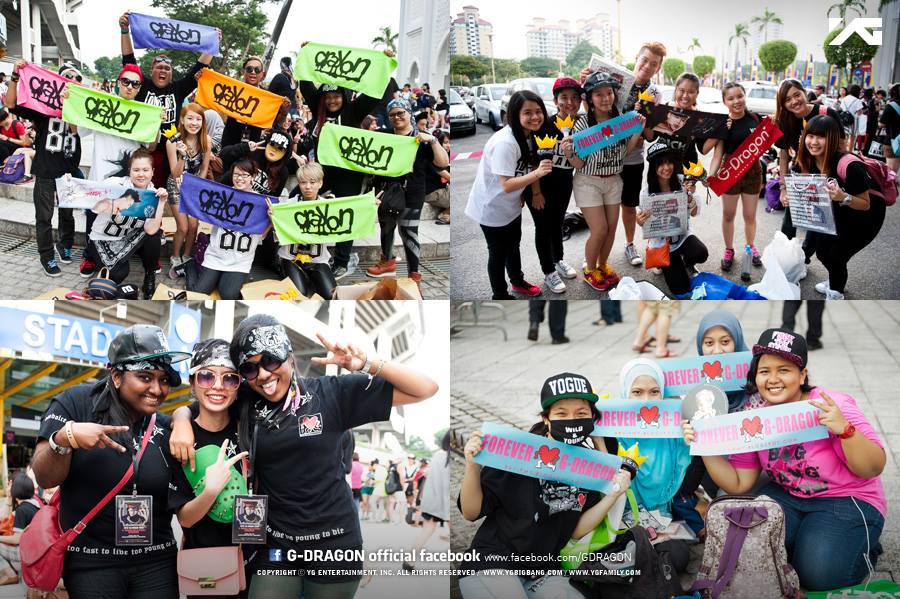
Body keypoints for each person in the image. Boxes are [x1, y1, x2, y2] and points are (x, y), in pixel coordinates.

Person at [170, 314, 439, 598]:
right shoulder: (248, 399)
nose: (263, 375)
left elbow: (425, 388)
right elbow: (205, 400)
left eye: (271, 360)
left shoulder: (332, 394)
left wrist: (366, 363)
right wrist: (182, 419)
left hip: (334, 545)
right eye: (249, 368)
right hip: (277, 545)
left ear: (289, 356)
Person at [31, 325, 233, 598]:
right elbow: (45, 477)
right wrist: (66, 438)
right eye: (145, 377)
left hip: (156, 562)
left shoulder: (166, 427)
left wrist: (182, 416)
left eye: (164, 379)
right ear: (116, 376)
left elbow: (212, 404)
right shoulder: (77, 403)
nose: (157, 389)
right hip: (92, 563)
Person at [683, 328, 886, 591]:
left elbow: (873, 467)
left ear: (802, 375)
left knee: (818, 575)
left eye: (784, 370)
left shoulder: (831, 405)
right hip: (788, 495)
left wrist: (845, 430)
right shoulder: (754, 415)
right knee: (746, 552)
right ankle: (810, 540)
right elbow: (739, 484)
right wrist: (703, 443)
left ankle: (864, 544)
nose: (773, 379)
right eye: (764, 371)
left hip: (846, 498)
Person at [458, 372, 631, 598]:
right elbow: (471, 513)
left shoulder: (587, 465)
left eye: (581, 413)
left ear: (591, 418)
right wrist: (472, 467)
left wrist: (612, 494)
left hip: (545, 569)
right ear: (546, 419)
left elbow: (575, 530)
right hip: (494, 560)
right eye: (561, 413)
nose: (571, 420)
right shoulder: (515, 453)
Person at [298, 47, 398, 279]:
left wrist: (384, 63)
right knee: (298, 198)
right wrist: (306, 55)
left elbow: (374, 92)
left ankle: (342, 261)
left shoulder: (354, 111)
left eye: (337, 96)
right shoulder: (318, 109)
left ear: (344, 96)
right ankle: (301, 249)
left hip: (349, 174)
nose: (332, 100)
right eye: (328, 97)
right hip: (322, 171)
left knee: (346, 213)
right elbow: (306, 85)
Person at [178, 338, 252, 597]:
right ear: (192, 382)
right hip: (207, 566)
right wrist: (210, 491)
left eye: (230, 378)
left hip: (258, 560)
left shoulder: (251, 427)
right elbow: (184, 518)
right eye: (206, 376)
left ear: (239, 386)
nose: (218, 386)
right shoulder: (179, 440)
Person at [563, 71, 645, 292]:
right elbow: (579, 164)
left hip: (614, 181)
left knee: (610, 229)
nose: (606, 98)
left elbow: (625, 153)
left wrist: (636, 132)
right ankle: (590, 269)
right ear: (590, 98)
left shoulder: (621, 121)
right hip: (588, 182)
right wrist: (569, 153)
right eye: (598, 94)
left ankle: (602, 265)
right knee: (599, 230)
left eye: (609, 93)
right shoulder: (582, 125)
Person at [464, 90, 549, 299]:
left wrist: (533, 191)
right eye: (527, 112)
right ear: (514, 114)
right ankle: (500, 295)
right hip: (491, 207)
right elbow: (506, 185)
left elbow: (527, 167)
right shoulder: (505, 143)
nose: (535, 117)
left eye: (538, 111)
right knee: (498, 252)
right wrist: (537, 174)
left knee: (513, 245)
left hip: (510, 205)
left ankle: (517, 282)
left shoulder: (529, 134)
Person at [4, 60, 82, 277]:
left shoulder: (82, 110)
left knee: (67, 215)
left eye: (77, 78)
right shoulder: (43, 110)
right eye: (68, 77)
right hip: (46, 172)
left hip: (69, 172)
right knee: (44, 218)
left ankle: (65, 245)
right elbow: (11, 104)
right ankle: (47, 256)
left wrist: (72, 108)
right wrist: (15, 76)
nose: (72, 81)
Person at [793, 115, 885, 299]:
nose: (814, 142)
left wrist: (843, 197)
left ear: (833, 139)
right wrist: (789, 196)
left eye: (821, 137)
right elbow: (803, 188)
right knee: (822, 252)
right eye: (810, 136)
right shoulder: (806, 159)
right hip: (837, 212)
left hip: (867, 215)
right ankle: (835, 280)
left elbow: (865, 204)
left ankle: (836, 294)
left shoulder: (849, 165)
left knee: (836, 256)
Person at [119, 11, 213, 188]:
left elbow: (199, 67)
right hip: (142, 150)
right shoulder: (142, 85)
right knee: (138, 191)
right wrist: (125, 30)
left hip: (170, 152)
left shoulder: (178, 89)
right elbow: (128, 60)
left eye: (167, 69)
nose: (163, 70)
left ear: (171, 74)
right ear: (151, 70)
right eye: (159, 67)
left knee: (160, 193)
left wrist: (212, 42)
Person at [367, 98, 449, 289]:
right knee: (386, 227)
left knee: (408, 231)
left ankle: (414, 276)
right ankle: (387, 262)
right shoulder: (384, 135)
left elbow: (443, 163)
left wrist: (433, 140)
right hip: (387, 191)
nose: (396, 117)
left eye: (400, 113)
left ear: (409, 113)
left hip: (412, 192)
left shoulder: (422, 138)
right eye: (392, 115)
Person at [83, 148, 167, 298]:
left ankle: (150, 275)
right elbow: (91, 203)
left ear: (152, 172)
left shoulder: (152, 194)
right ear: (130, 171)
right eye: (136, 170)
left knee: (154, 236)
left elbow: (151, 229)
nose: (141, 174)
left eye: (145, 170)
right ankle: (98, 262)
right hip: (103, 237)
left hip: (129, 236)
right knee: (118, 275)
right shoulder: (115, 184)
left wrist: (161, 202)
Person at [774, 79, 843, 251]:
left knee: (816, 226)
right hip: (799, 178)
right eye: (787, 99)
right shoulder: (784, 121)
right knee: (789, 224)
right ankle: (784, 258)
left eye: (797, 95)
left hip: (824, 179)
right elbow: (784, 156)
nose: (794, 101)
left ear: (804, 93)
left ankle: (803, 257)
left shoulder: (826, 113)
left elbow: (841, 148)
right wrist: (783, 188)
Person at [529, 77, 582, 294]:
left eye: (575, 98)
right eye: (564, 97)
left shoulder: (581, 126)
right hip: (540, 186)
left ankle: (558, 259)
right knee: (543, 228)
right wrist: (536, 192)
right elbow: (533, 162)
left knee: (557, 223)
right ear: (555, 100)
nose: (569, 102)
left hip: (564, 183)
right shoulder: (545, 125)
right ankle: (548, 271)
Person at [188, 159, 269, 299]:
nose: (239, 178)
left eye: (244, 175)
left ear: (253, 176)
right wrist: (186, 189)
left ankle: (234, 278)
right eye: (236, 174)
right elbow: (200, 205)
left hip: (240, 261)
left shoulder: (261, 202)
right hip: (216, 256)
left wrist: (271, 219)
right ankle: (189, 266)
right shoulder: (221, 195)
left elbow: (262, 234)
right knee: (198, 293)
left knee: (228, 295)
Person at [636, 142, 707, 296]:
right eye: (661, 164)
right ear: (653, 168)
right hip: (663, 243)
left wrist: (690, 196)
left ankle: (687, 261)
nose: (666, 167)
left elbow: (694, 213)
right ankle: (665, 263)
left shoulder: (683, 181)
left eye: (669, 163)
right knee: (680, 289)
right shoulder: (646, 192)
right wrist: (640, 222)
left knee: (700, 253)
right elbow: (646, 223)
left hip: (683, 235)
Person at [708, 83, 764, 273]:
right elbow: (717, 154)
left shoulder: (755, 118)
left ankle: (750, 247)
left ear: (744, 96)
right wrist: (711, 175)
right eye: (731, 98)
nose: (736, 101)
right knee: (728, 215)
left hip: (753, 174)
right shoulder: (724, 124)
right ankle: (729, 249)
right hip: (730, 172)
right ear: (725, 101)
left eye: (739, 96)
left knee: (750, 215)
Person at [275, 162, 340, 299]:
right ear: (299, 184)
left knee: (331, 295)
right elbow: (277, 232)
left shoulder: (329, 207)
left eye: (312, 182)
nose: (308, 187)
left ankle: (312, 279)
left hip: (318, 259)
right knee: (299, 294)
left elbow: (349, 220)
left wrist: (369, 207)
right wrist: (273, 217)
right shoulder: (287, 205)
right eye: (303, 182)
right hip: (291, 258)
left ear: (320, 183)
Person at [166, 103, 212, 279]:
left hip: (194, 187)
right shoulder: (172, 142)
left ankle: (186, 256)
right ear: (182, 120)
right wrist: (182, 156)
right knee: (183, 227)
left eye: (198, 119)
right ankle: (175, 256)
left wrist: (197, 187)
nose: (194, 123)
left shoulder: (206, 140)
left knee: (194, 225)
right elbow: (175, 173)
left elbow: (204, 168)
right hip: (176, 185)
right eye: (190, 118)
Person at [403, 432, 450, 572]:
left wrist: (423, 501)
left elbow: (429, 478)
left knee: (427, 530)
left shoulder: (437, 455)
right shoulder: (446, 457)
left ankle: (409, 561)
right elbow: (445, 483)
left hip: (432, 500)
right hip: (444, 500)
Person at [0, 473, 43, 585]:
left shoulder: (22, 510)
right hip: (38, 551)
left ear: (15, 491)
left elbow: (16, 539)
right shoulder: (35, 505)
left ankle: (11, 575)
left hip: (28, 553)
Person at [425, 130, 451, 225]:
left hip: (440, 190)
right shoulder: (434, 157)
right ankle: (444, 215)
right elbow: (449, 177)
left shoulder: (446, 156)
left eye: (450, 143)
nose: (449, 146)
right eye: (446, 143)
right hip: (431, 193)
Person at [879, 83, 900, 174]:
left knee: (891, 171)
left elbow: (881, 124)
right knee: (895, 169)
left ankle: (891, 183)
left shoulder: (891, 106)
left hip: (892, 140)